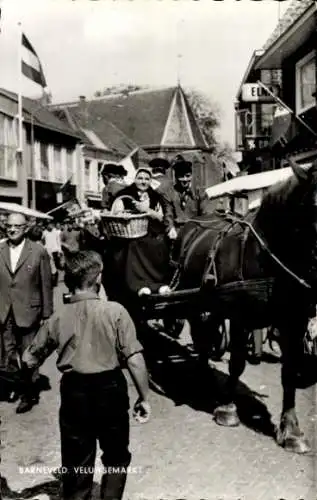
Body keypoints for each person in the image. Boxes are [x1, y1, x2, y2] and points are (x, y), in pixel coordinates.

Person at [22, 250, 150, 500]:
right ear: (98, 277)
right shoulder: (116, 312)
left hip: (74, 391)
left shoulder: (58, 317)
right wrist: (144, 397)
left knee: (76, 457)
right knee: (116, 454)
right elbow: (135, 360)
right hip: (110, 388)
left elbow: (29, 358)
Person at [0, 212, 53, 413]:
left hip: (30, 312)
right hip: (4, 311)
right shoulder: (0, 248)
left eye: (17, 226)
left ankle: (28, 393)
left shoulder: (38, 251)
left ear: (26, 228)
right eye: (9, 226)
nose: (12, 229)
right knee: (8, 354)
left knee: (29, 355)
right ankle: (16, 385)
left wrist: (47, 315)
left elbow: (46, 284)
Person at [108, 167, 171, 305]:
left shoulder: (156, 196)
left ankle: (157, 283)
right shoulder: (123, 195)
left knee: (160, 244)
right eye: (140, 178)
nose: (143, 181)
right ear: (135, 179)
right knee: (134, 245)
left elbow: (161, 217)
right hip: (129, 233)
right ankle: (137, 284)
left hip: (151, 232)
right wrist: (124, 215)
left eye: (147, 179)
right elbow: (115, 214)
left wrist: (147, 210)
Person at [166, 154, 211, 239]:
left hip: (194, 230)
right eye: (181, 176)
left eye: (187, 176)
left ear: (191, 176)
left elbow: (205, 214)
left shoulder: (200, 192)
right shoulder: (171, 192)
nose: (185, 179)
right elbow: (168, 213)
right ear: (176, 177)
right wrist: (171, 228)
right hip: (176, 231)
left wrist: (199, 231)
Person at [43, 223, 62, 287]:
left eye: (51, 225)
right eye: (49, 225)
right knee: (50, 266)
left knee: (56, 266)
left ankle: (55, 281)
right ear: (47, 226)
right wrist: (44, 247)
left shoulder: (55, 232)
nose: (50, 226)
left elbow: (58, 241)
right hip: (48, 251)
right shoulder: (44, 232)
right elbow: (42, 240)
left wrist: (59, 251)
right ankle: (51, 280)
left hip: (55, 251)